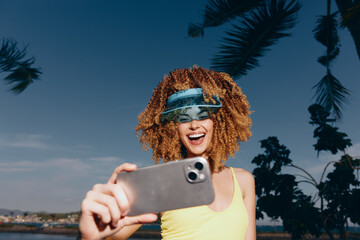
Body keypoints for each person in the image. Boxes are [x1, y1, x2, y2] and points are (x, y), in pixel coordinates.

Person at [78, 66, 256, 240]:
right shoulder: (164, 182)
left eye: (202, 115)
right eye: (183, 118)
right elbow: (107, 235)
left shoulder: (244, 180)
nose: (194, 125)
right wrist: (89, 235)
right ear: (173, 127)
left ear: (218, 120)